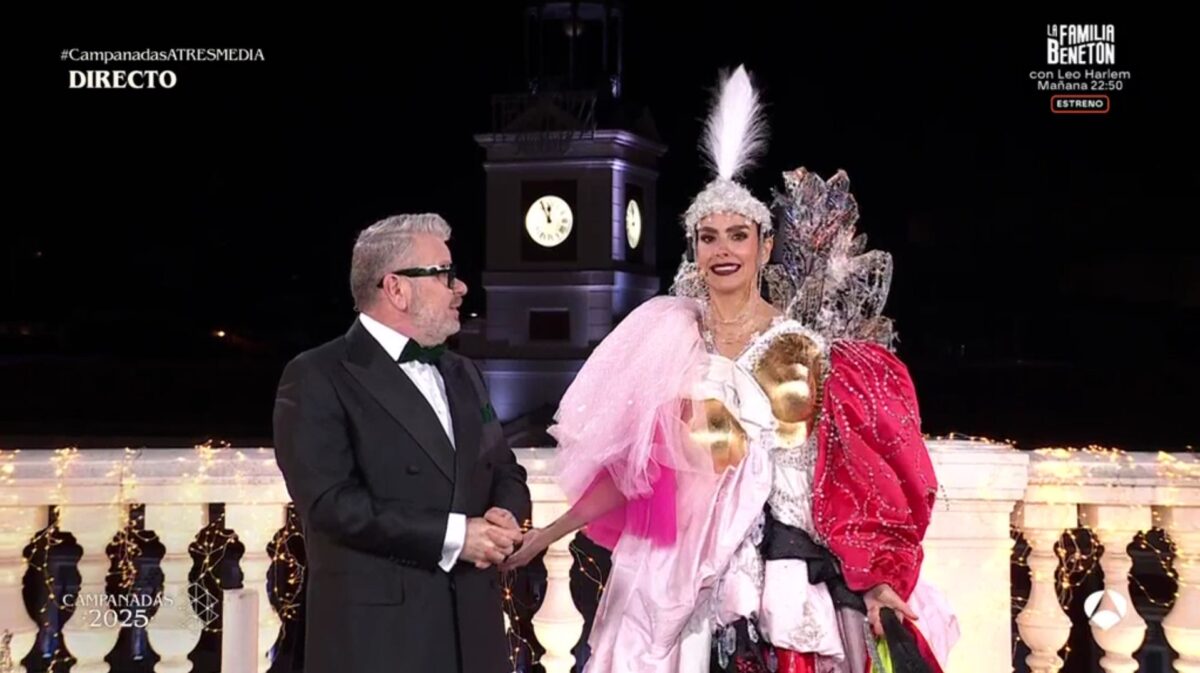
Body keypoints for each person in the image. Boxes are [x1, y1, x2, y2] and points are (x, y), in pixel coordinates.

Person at [502, 66, 958, 673]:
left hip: (786, 576)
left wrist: (873, 579)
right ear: (694, 249)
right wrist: (548, 532)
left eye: (737, 236)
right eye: (709, 237)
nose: (723, 250)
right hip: (677, 574)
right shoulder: (673, 339)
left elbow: (841, 477)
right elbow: (642, 469)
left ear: (763, 247)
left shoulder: (802, 350)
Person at [272, 213, 531, 673]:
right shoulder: (317, 375)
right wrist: (456, 537)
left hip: (474, 636)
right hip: (380, 643)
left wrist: (504, 514)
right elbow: (332, 505)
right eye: (444, 273)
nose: (461, 287)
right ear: (396, 289)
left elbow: (504, 468)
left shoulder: (463, 372)